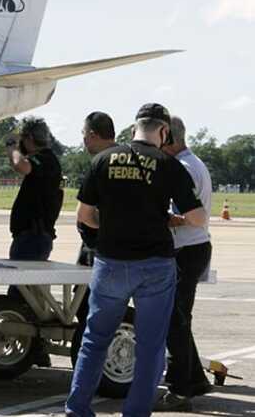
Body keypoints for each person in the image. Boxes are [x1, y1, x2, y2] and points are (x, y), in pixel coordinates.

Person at [66, 103, 206, 417]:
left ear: (133, 129)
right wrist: (172, 219)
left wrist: (116, 224)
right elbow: (198, 218)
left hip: (111, 263)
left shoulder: (103, 160)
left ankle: (77, 409)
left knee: (95, 339)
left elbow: (84, 216)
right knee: (150, 345)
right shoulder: (169, 165)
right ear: (163, 131)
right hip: (155, 265)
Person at [154, 116, 214, 412]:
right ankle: (195, 379)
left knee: (174, 322)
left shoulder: (184, 168)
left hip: (186, 248)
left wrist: (146, 215)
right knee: (179, 319)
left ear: (168, 139)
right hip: (193, 246)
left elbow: (181, 216)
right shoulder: (193, 163)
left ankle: (180, 391)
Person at [72, 112, 117, 355]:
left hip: (103, 250)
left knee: (92, 308)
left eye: (84, 135)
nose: (83, 141)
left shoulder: (102, 162)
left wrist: (104, 227)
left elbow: (85, 213)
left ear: (92, 134)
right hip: (106, 247)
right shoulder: (125, 157)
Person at [6, 117, 63, 261]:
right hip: (31, 236)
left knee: (21, 282)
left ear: (30, 138)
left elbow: (20, 165)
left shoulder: (45, 158)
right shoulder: (45, 159)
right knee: (24, 284)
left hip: (33, 237)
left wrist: (12, 146)